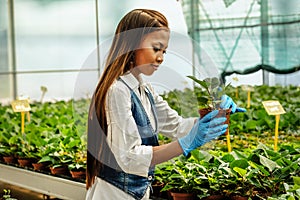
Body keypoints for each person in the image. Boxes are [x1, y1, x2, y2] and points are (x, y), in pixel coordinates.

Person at [85, 8, 245, 200]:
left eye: (164, 51)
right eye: (156, 48)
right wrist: (184, 144)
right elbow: (129, 157)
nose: (161, 57)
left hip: (137, 192)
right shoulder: (117, 91)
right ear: (132, 44)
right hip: (114, 194)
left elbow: (176, 125)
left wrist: (215, 115)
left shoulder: (144, 89)